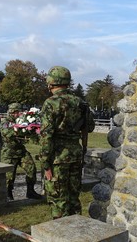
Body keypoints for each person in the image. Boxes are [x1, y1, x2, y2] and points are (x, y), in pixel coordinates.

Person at [39, 66, 95, 219]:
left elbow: (46, 136)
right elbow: (89, 127)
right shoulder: (81, 103)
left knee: (58, 201)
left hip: (57, 158)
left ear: (52, 82)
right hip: (75, 155)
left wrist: (45, 164)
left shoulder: (51, 103)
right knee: (73, 198)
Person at [1, 102, 41, 200]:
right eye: (17, 112)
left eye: (20, 112)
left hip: (21, 151)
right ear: (12, 112)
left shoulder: (22, 121)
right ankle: (8, 193)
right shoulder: (5, 122)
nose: (19, 114)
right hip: (9, 152)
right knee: (9, 175)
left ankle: (30, 191)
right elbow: (6, 133)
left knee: (31, 168)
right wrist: (16, 130)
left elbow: (26, 134)